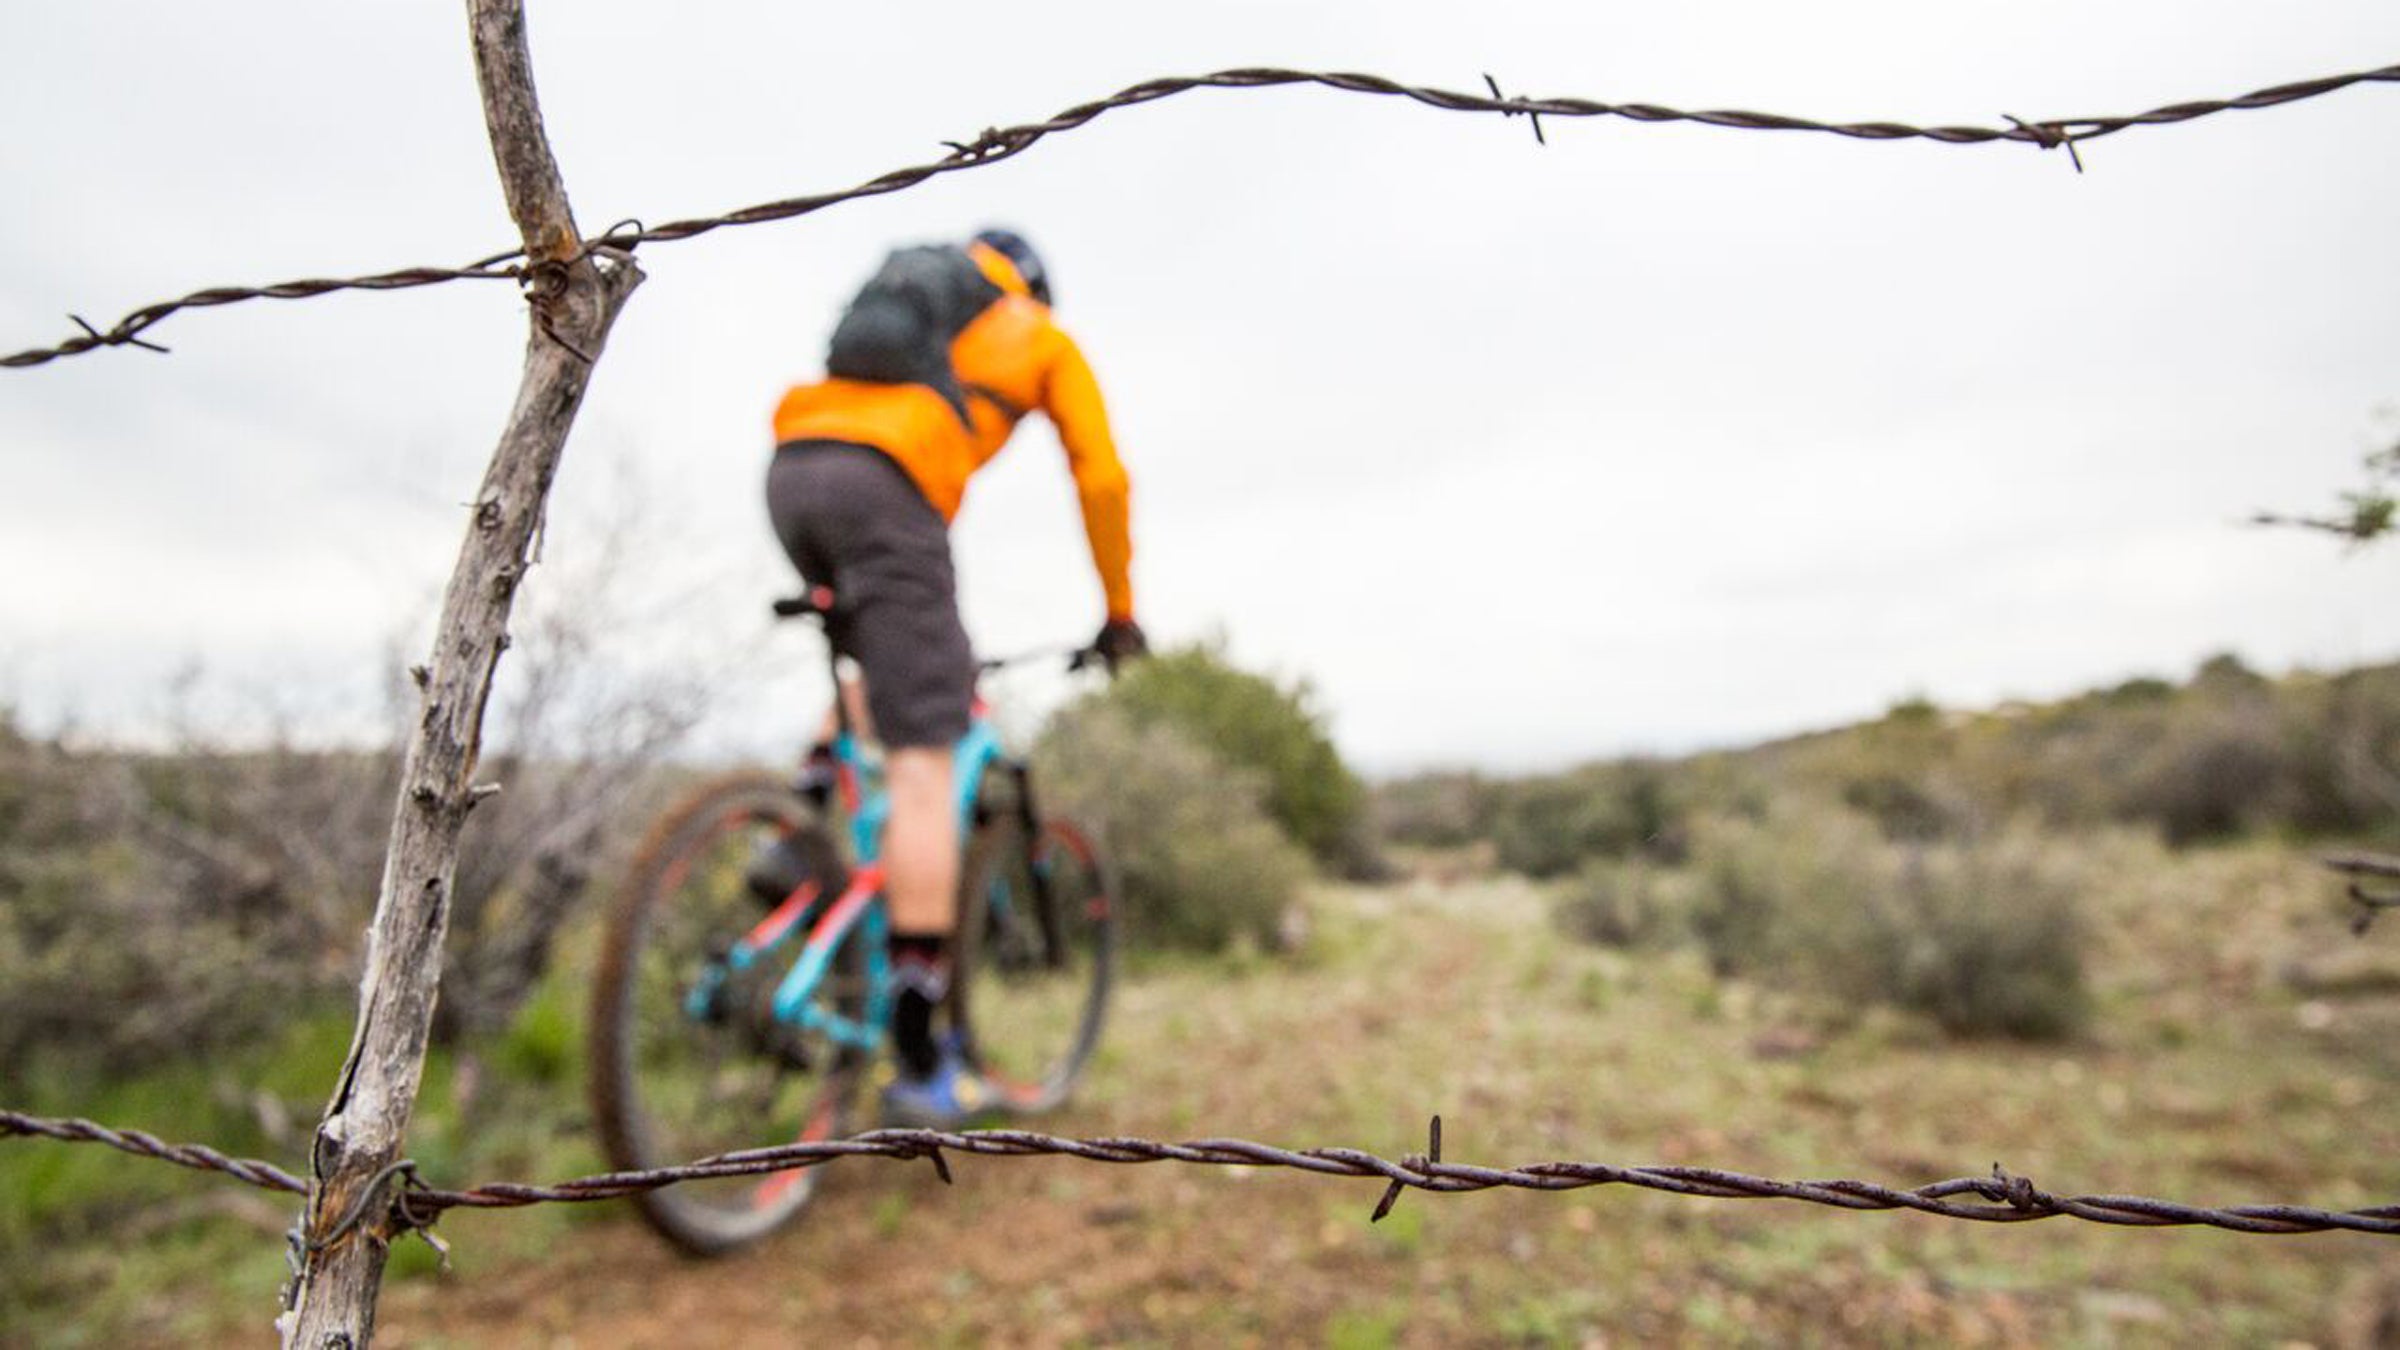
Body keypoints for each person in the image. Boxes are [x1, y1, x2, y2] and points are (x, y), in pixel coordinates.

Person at [764, 227, 1146, 1125]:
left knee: (885, 661)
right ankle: (919, 1053)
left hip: (793, 470)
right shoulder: (1039, 333)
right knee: (924, 760)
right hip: (888, 489)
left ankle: (797, 827)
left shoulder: (917, 298)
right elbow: (1101, 475)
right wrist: (1119, 610)